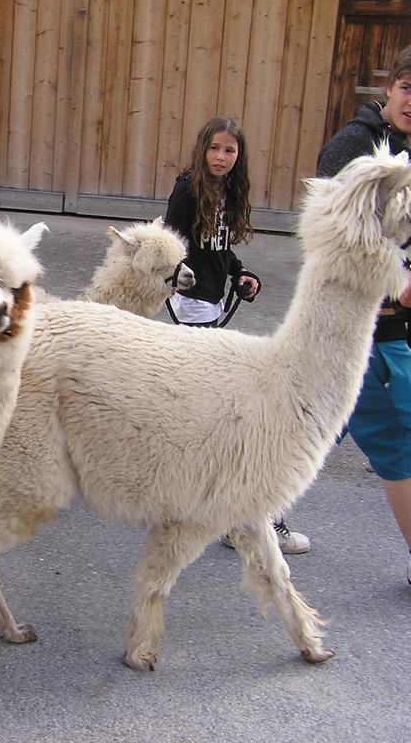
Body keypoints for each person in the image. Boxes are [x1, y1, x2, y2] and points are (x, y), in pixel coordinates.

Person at [165, 115, 311, 554]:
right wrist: (182, 280)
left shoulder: (227, 194)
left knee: (202, 407)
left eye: (229, 151)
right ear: (202, 149)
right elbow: (173, 242)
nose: (221, 158)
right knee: (215, 409)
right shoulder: (188, 189)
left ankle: (204, 501)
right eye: (215, 149)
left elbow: (219, 248)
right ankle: (237, 515)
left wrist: (240, 274)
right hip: (190, 303)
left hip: (212, 301)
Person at [316, 44, 411, 585]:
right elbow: (329, 238)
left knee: (316, 426)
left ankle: (247, 513)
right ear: (389, 88)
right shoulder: (355, 147)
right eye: (408, 88)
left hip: (391, 327)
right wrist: (395, 287)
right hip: (364, 323)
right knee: (399, 434)